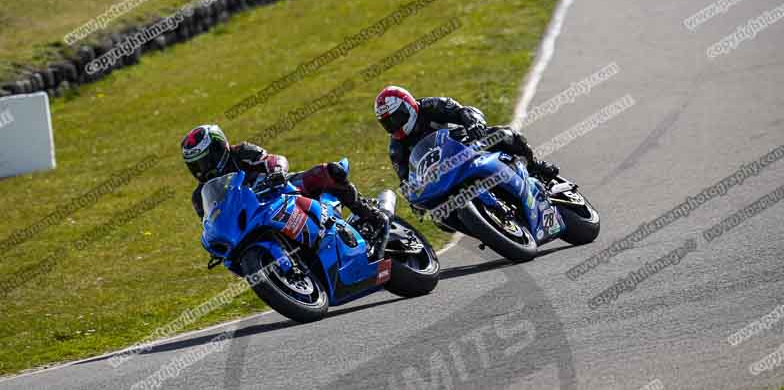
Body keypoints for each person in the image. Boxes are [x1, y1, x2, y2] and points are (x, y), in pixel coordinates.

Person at [181, 124, 390, 258]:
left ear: (219, 149)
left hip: (281, 190)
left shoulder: (240, 152)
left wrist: (277, 172)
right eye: (196, 165)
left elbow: (273, 159)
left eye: (205, 160)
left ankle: (374, 217)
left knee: (327, 172)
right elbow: (210, 221)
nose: (203, 169)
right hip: (253, 220)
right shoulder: (200, 196)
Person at [373, 86, 559, 185]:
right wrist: (414, 199)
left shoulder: (430, 106)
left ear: (408, 106)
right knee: (438, 217)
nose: (394, 125)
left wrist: (474, 123)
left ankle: (536, 167)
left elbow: (462, 111)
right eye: (387, 123)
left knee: (505, 135)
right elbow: (406, 180)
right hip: (443, 175)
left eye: (396, 118)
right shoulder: (396, 148)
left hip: (467, 145)